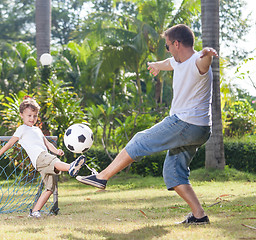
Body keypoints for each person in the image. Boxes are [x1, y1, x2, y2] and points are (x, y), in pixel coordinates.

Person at [76, 24, 218, 225]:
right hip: (200, 128)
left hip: (186, 123)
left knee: (140, 140)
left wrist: (208, 54)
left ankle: (102, 177)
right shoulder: (179, 61)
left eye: (168, 46)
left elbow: (203, 62)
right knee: (173, 172)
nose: (167, 49)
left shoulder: (197, 60)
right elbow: (169, 62)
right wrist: (156, 64)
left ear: (176, 44)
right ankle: (199, 216)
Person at [0, 96, 86, 218]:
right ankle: (71, 167)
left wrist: (57, 151)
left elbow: (47, 143)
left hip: (44, 159)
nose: (32, 118)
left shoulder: (37, 130)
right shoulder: (21, 129)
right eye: (29, 116)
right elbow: (9, 144)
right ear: (21, 115)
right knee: (54, 161)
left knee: (50, 188)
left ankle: (35, 211)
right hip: (39, 157)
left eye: (34, 116)